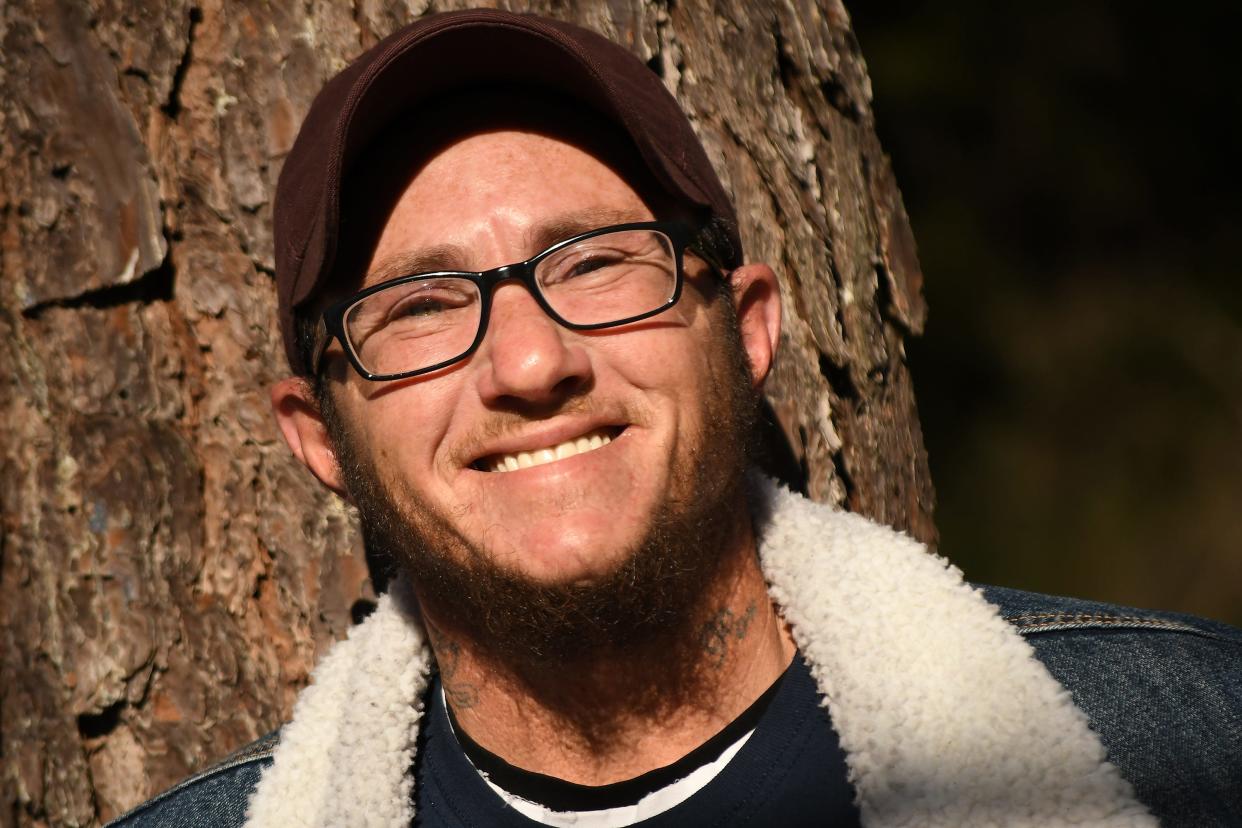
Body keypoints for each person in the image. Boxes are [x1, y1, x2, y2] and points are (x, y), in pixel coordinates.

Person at [110, 9, 1241, 828]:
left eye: (597, 263)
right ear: (318, 436)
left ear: (746, 330)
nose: (531, 360)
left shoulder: (1191, 748)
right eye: (418, 305)